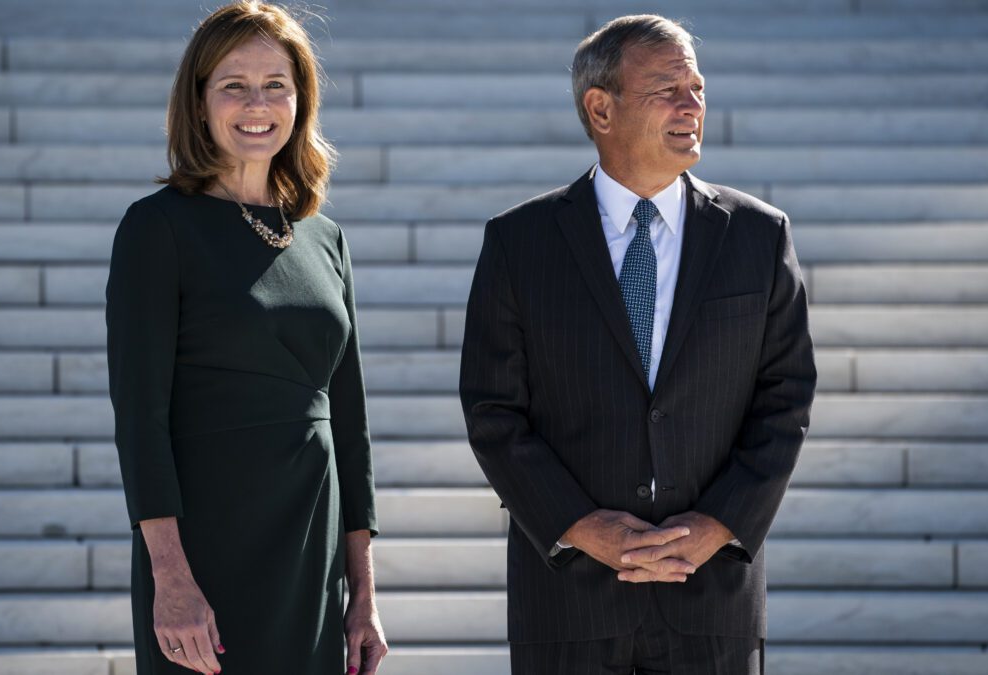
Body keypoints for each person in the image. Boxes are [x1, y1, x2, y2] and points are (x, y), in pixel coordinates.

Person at [459, 14, 816, 674]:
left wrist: (718, 525)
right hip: (568, 603)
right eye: (667, 90)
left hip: (712, 598)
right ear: (601, 108)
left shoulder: (759, 237)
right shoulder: (520, 243)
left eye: (697, 88)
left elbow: (786, 398)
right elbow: (493, 411)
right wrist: (580, 526)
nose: (692, 106)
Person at [105, 3, 386, 674]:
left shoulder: (325, 237)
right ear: (199, 101)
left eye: (276, 85)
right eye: (234, 85)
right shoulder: (157, 228)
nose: (257, 104)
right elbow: (140, 419)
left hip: (313, 545)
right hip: (208, 544)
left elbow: (350, 423)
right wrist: (170, 577)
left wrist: (364, 593)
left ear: (301, 100)